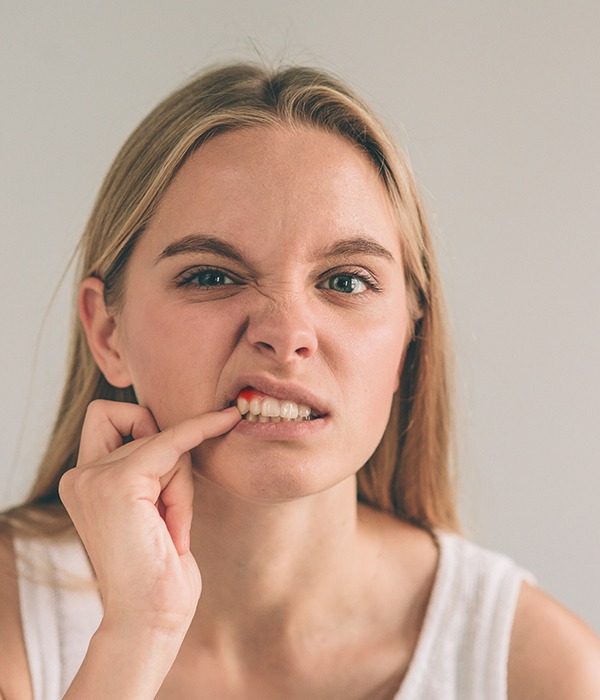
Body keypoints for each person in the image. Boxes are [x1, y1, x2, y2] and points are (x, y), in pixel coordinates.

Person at [0, 62, 599, 700]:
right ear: (107, 333)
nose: (286, 334)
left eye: (345, 281)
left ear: (407, 338)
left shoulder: (543, 673)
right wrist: (134, 637)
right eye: (210, 275)